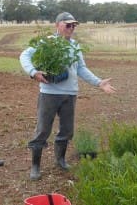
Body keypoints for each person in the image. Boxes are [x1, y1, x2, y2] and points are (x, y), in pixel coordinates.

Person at [20, 12, 116, 180]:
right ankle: (35, 166)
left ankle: (61, 160)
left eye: (74, 25)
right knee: (43, 130)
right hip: (49, 93)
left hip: (70, 94)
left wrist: (99, 82)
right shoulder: (47, 42)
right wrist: (33, 72)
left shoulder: (75, 46)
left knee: (66, 130)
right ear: (57, 25)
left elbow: (81, 69)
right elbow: (25, 55)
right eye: (68, 25)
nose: (71, 28)